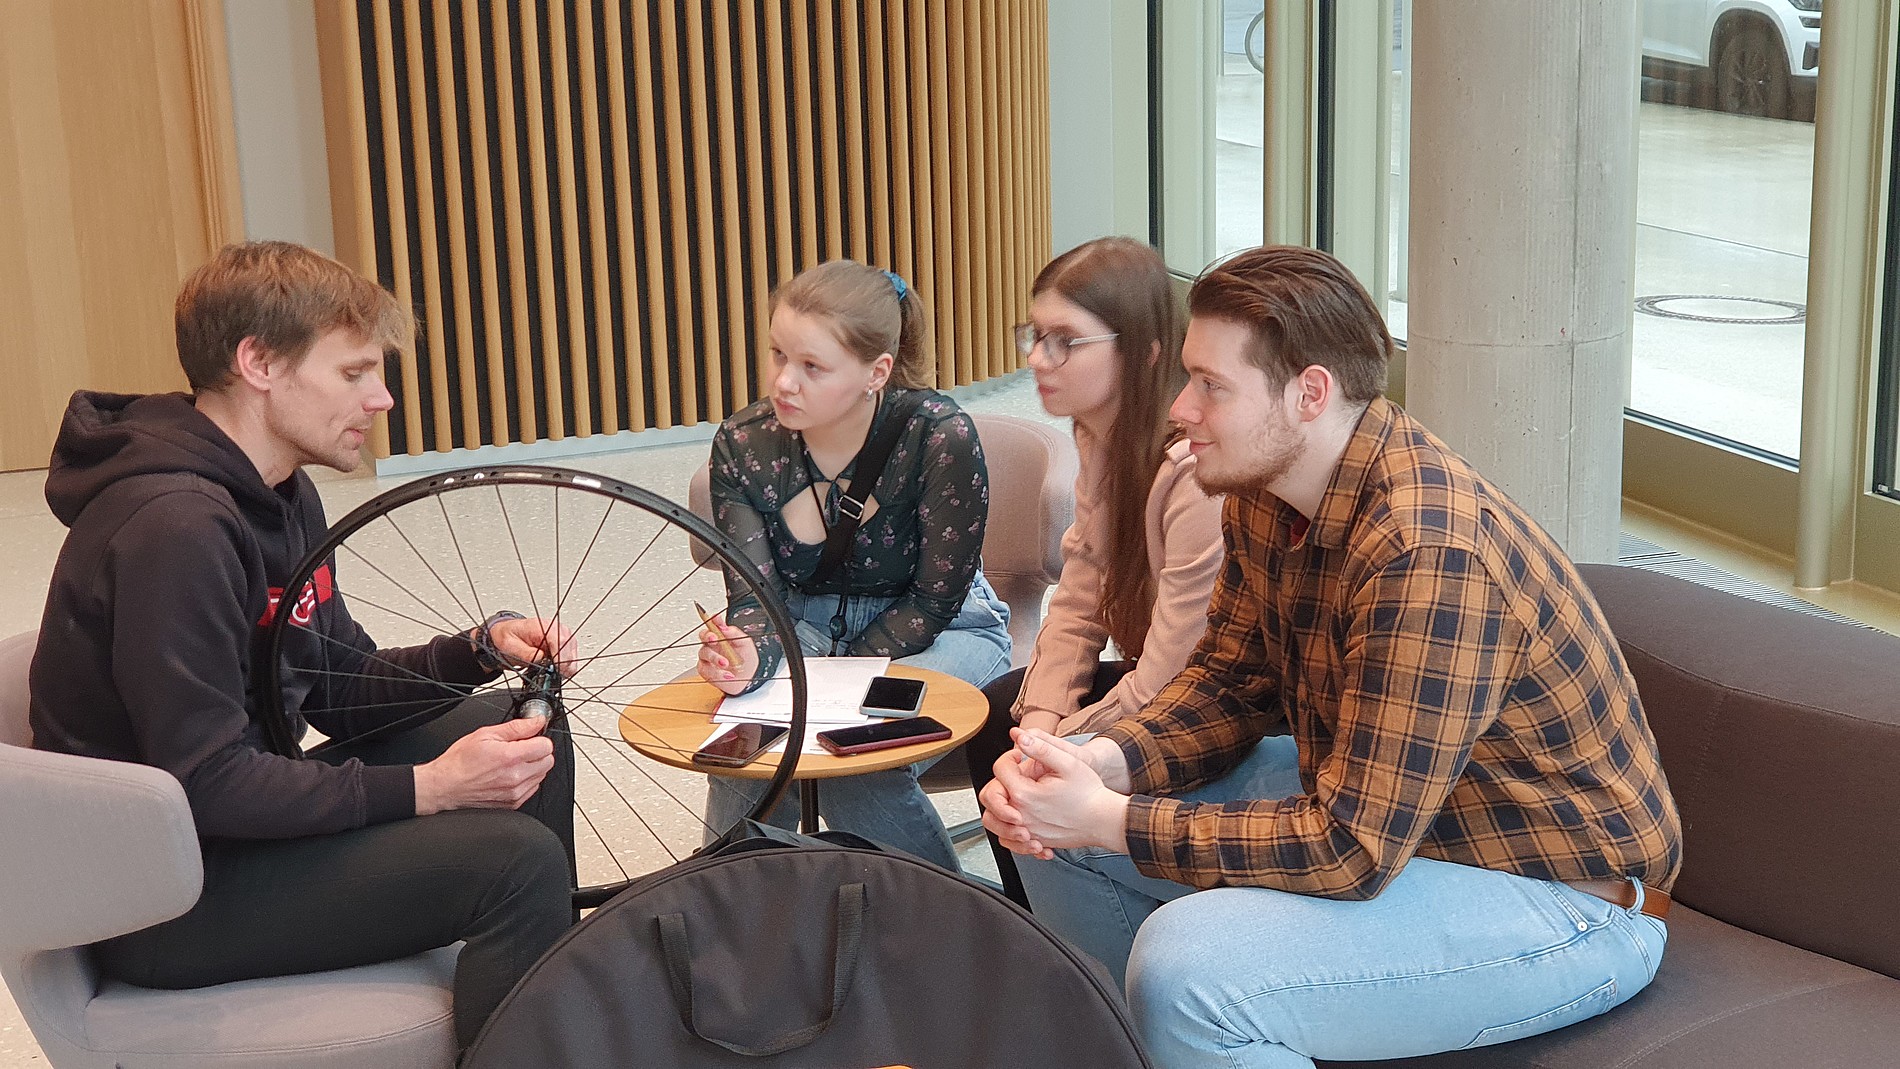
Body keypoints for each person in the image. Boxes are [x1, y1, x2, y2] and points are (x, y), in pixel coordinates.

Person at [980, 245, 1683, 1068]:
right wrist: (1101, 761)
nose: (1180, 407)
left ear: (1309, 393)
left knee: (1191, 969)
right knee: (1052, 824)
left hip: (1568, 899)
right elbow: (1228, 685)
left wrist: (1112, 818)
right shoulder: (1263, 489)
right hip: (1411, 823)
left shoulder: (1426, 553)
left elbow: (1350, 848)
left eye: (1211, 385)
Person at [29, 241, 579, 1051]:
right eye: (354, 372)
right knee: (519, 865)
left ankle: (556, 1011)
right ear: (258, 363)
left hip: (232, 832)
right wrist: (430, 788)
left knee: (529, 734)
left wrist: (478, 649)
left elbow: (338, 688)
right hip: (166, 897)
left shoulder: (281, 489)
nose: (382, 397)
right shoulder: (175, 531)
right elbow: (207, 783)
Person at [697, 259, 1012, 870]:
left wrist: (832, 677)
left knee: (855, 761)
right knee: (741, 757)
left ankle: (946, 915)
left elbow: (936, 599)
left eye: (812, 366)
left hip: (943, 633)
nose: (784, 382)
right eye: (778, 354)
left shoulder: (939, 435)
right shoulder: (742, 443)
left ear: (877, 372)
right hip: (803, 628)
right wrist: (749, 656)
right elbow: (756, 600)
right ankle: (736, 910)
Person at [967, 237, 1224, 906]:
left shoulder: (1196, 475)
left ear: (1143, 351)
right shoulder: (1099, 433)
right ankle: (1035, 925)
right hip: (1151, 674)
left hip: (1210, 706)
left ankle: (1068, 935)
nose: (1036, 359)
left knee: (1030, 772)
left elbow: (1173, 672)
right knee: (1002, 722)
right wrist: (1041, 724)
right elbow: (1080, 594)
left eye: (1064, 342)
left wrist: (1058, 748)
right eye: (1035, 336)